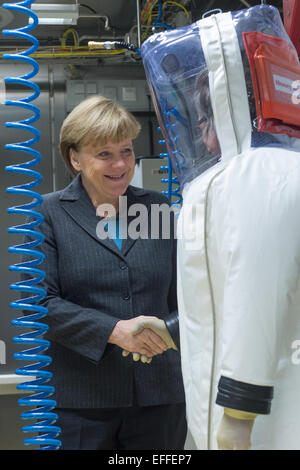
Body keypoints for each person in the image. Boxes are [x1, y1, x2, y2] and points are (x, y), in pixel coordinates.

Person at [142, 4, 300, 450]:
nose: (200, 132)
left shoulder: (256, 176)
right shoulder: (275, 171)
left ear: (235, 104)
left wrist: (237, 417)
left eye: (203, 116)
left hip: (265, 425)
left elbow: (257, 297)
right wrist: (174, 329)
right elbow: (235, 290)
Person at [23, 95, 186, 450]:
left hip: (160, 395)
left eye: (126, 151)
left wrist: (169, 330)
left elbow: (188, 295)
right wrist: (113, 331)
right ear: (75, 158)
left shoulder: (157, 209)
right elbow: (38, 305)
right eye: (104, 154)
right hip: (82, 402)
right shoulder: (46, 214)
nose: (120, 164)